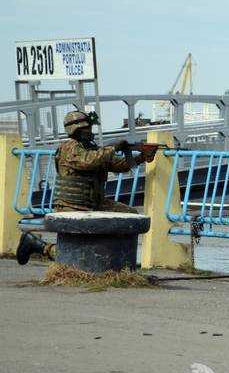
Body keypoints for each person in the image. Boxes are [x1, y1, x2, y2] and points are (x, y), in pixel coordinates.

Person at [16, 110, 155, 265]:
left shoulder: (91, 149)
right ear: (76, 130)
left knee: (130, 216)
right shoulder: (70, 147)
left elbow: (118, 165)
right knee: (80, 251)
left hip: (95, 204)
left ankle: (119, 257)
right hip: (71, 206)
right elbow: (87, 162)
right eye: (87, 129)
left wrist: (142, 156)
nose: (90, 132)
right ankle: (41, 247)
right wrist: (113, 148)